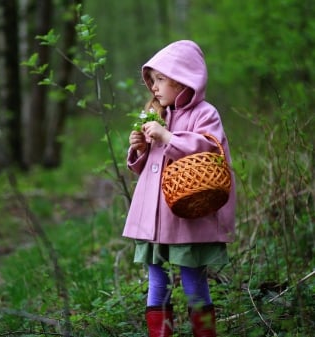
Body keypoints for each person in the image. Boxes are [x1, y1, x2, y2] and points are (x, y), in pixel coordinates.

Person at [123, 40, 236, 337]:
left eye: (161, 79)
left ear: (183, 79)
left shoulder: (205, 113)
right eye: (153, 80)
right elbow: (146, 169)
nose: (154, 87)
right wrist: (139, 149)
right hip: (155, 219)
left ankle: (205, 333)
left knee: (193, 283)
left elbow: (208, 149)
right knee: (157, 283)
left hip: (188, 217)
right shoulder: (157, 112)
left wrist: (168, 137)